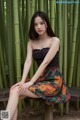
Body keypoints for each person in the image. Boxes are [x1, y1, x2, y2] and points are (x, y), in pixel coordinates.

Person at [6, 11, 71, 120]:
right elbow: (28, 62)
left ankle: (4, 118)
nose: (39, 27)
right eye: (35, 24)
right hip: (40, 79)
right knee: (14, 91)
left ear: (46, 24)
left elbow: (45, 63)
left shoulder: (54, 40)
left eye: (41, 23)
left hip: (53, 81)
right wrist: (22, 81)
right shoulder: (31, 42)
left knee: (15, 91)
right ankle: (5, 118)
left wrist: (30, 82)